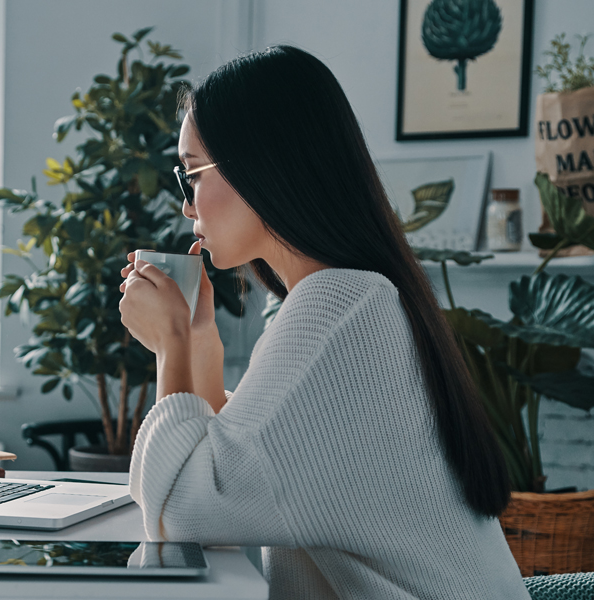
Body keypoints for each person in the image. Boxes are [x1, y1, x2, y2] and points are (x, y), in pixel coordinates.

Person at [118, 45, 530, 599]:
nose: (188, 205)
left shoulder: (339, 307)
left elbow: (181, 512)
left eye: (192, 172)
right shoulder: (350, 298)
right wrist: (197, 341)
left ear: (262, 168)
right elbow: (238, 470)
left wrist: (170, 346)